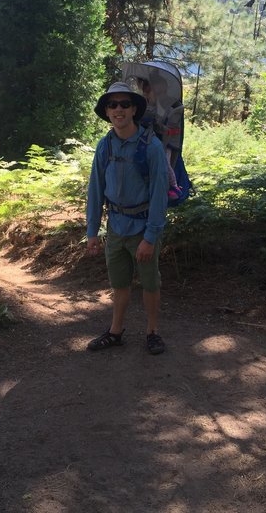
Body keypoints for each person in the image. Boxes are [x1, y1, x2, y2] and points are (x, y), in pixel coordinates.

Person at [85, 81, 169, 355]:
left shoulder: (151, 146)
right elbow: (96, 189)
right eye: (112, 105)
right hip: (116, 228)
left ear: (134, 109)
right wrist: (92, 231)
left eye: (124, 104)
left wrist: (151, 237)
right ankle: (116, 332)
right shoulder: (104, 146)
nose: (118, 109)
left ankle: (153, 332)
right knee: (119, 284)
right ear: (107, 112)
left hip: (143, 228)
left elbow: (159, 194)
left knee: (149, 283)